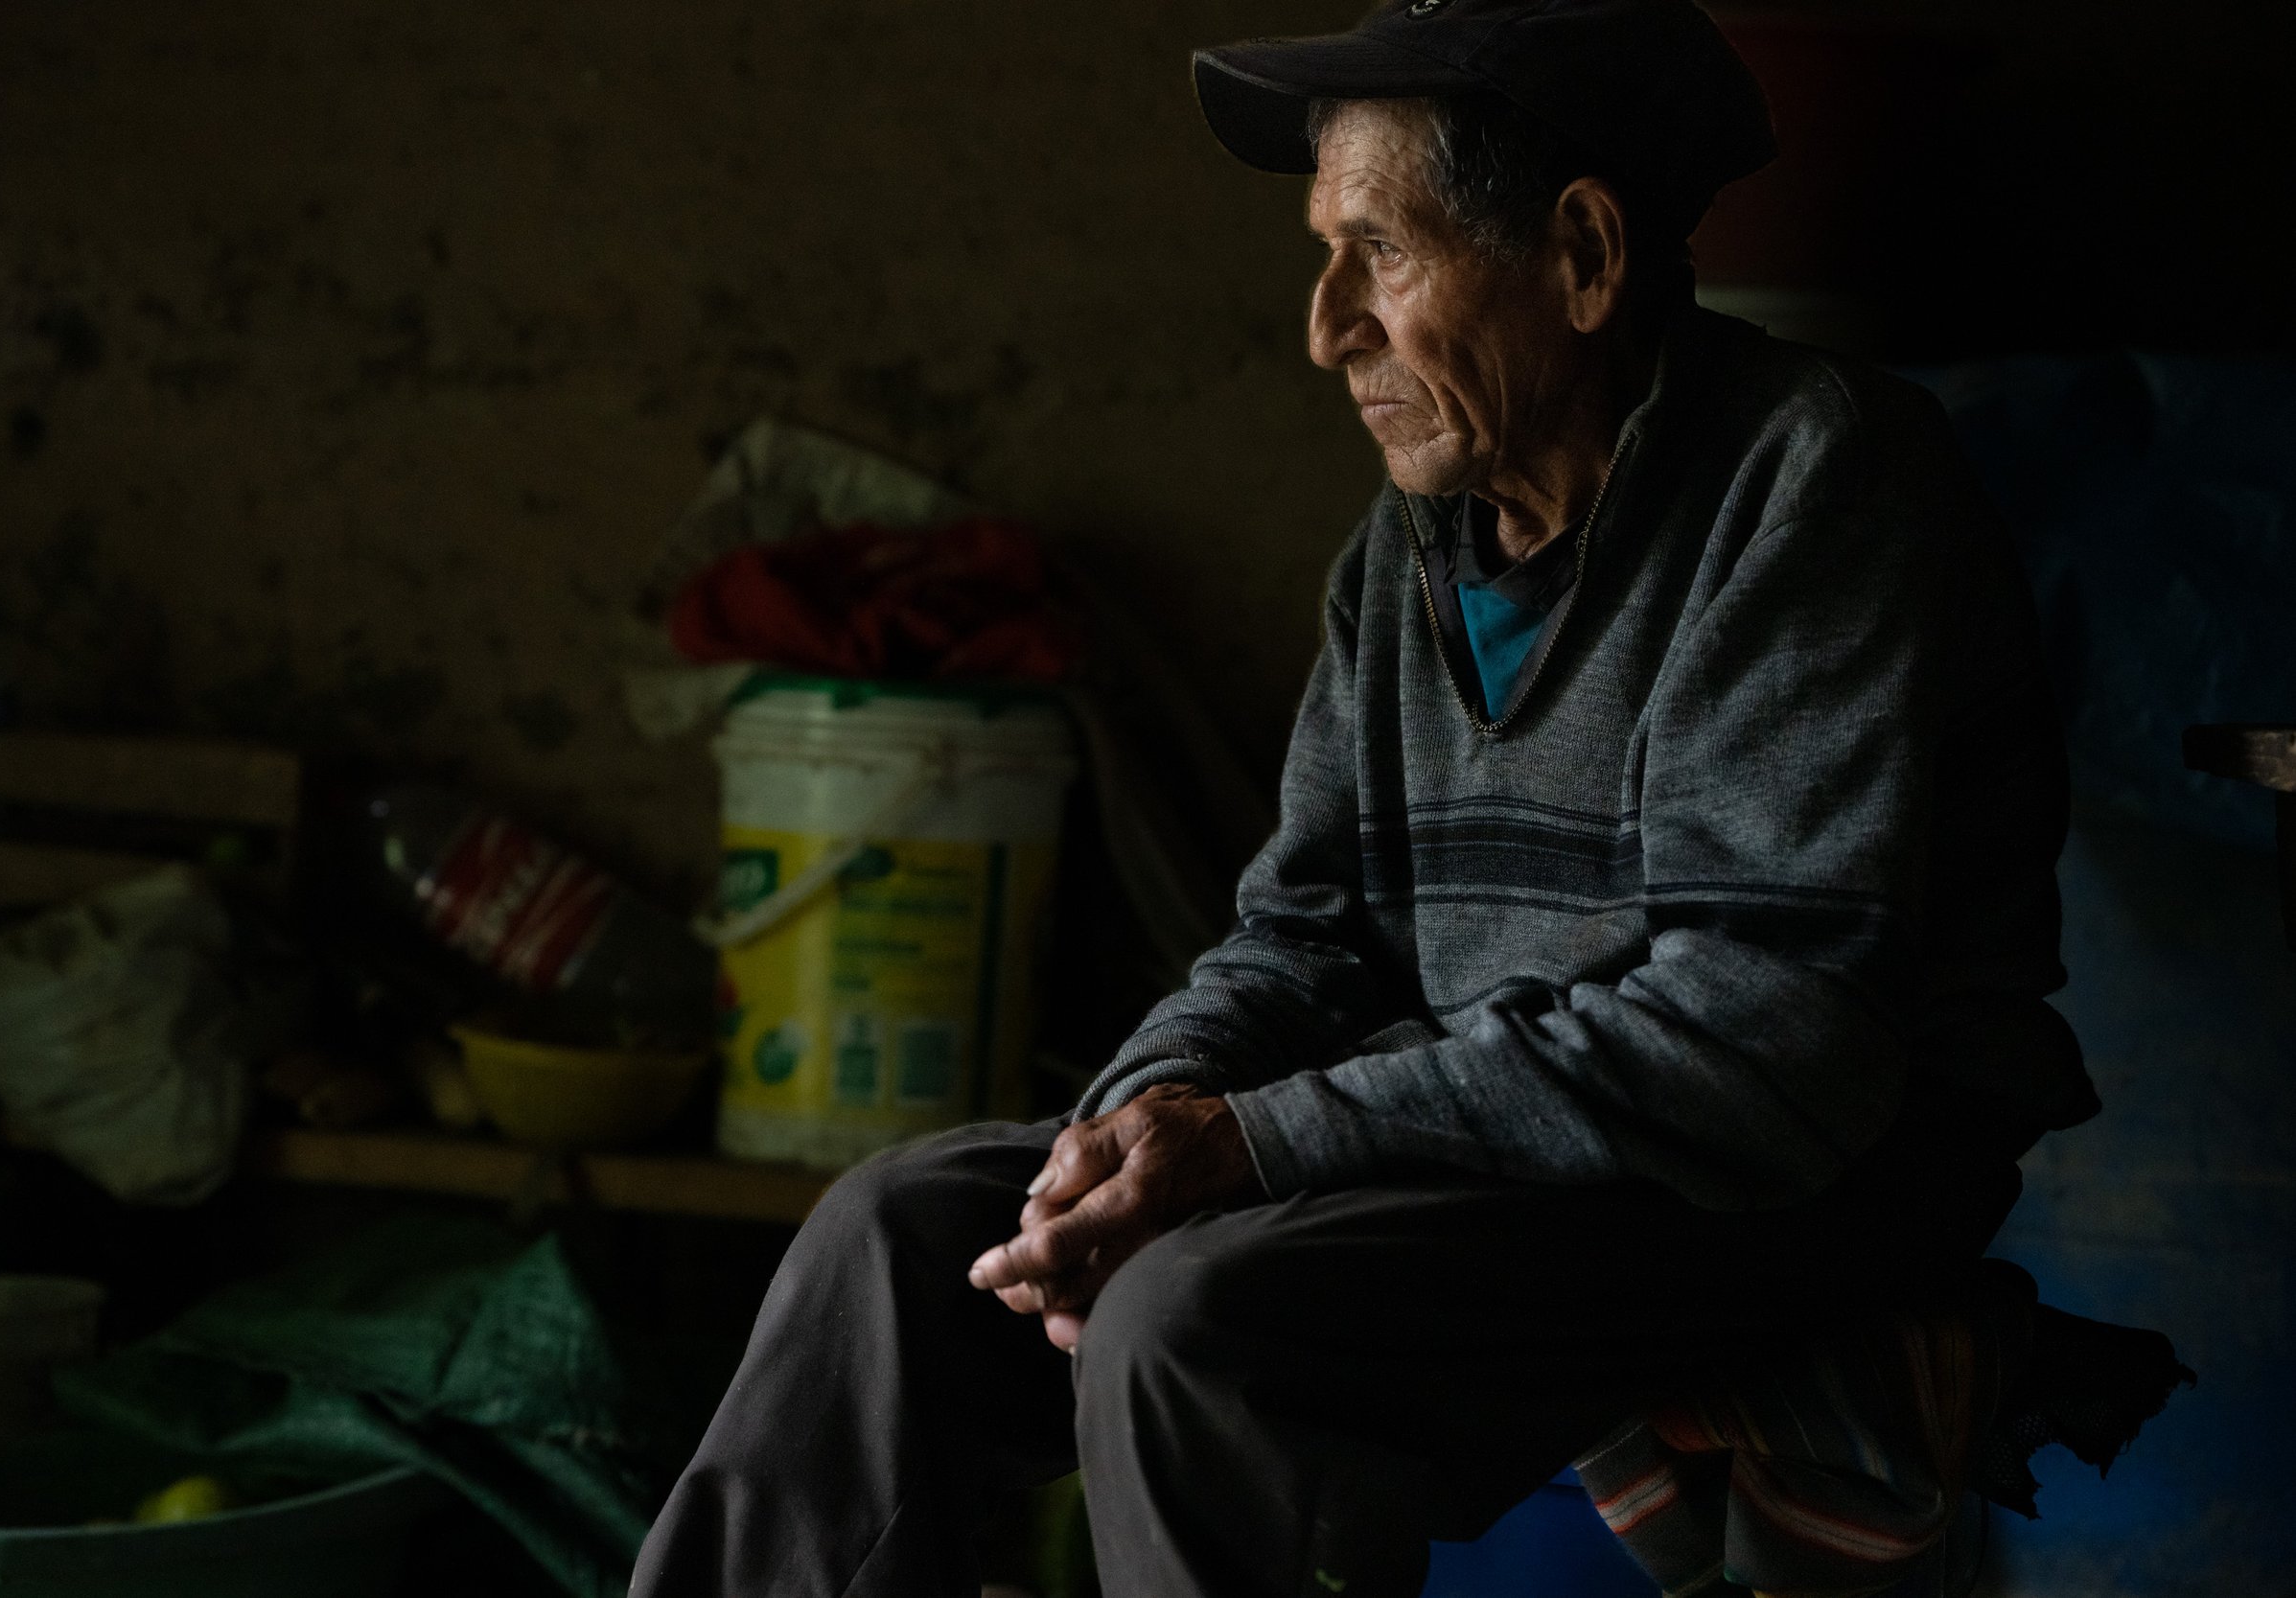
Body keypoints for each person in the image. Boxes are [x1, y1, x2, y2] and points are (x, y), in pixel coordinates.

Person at [631, 2, 2099, 1594]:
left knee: (1197, 1322)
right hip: (1496, 1133)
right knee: (899, 1238)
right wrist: (1135, 1121)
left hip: (1797, 1171)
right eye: (1327, 259)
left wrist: (1257, 1145)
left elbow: (1764, 1043)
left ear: (1586, 259)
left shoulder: (1815, 479)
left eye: (1380, 254)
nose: (1327, 326)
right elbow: (1305, 936)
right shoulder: (1403, 558)